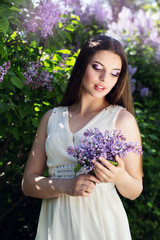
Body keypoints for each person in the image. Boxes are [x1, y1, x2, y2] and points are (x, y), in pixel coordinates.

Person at [21, 35, 143, 240]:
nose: (104, 79)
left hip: (102, 225)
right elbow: (28, 184)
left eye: (114, 74)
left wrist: (119, 177)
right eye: (97, 68)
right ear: (81, 65)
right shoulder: (51, 118)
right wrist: (65, 185)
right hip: (56, 225)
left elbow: (135, 190)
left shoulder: (122, 119)